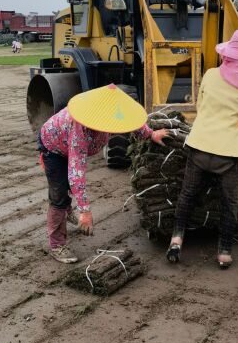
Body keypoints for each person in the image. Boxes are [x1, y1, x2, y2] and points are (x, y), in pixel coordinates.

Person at [38, 84, 168, 263]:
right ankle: (57, 244)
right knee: (59, 193)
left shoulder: (108, 115)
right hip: (53, 148)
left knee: (66, 186)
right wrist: (85, 211)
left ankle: (67, 212)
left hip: (67, 145)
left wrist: (150, 134)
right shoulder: (80, 128)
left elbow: (129, 121)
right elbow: (76, 172)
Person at [167, 29, 238, 269]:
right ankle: (224, 252)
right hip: (230, 154)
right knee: (230, 203)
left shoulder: (211, 74)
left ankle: (176, 239)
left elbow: (201, 107)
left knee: (187, 195)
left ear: (228, 54)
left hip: (199, 146)